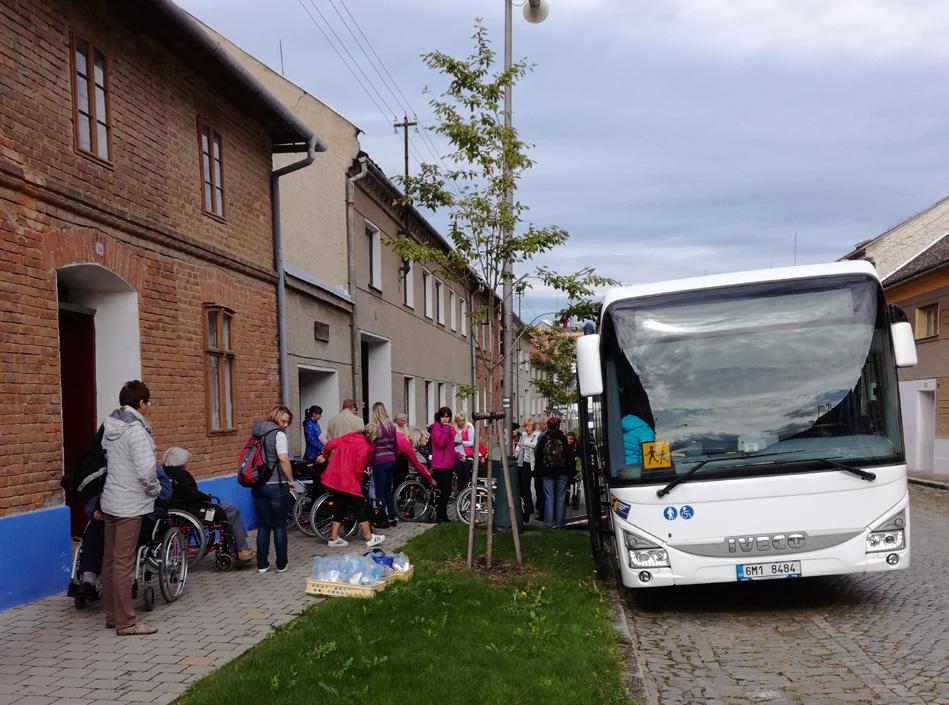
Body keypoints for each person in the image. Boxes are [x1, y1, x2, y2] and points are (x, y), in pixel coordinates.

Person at [100, 380, 160, 636]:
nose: (150, 407)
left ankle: (112, 615)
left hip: (110, 500)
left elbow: (105, 457)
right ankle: (126, 622)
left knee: (110, 560)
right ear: (141, 404)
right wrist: (155, 491)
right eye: (149, 402)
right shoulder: (135, 430)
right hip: (130, 504)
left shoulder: (109, 425)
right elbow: (146, 471)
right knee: (124, 562)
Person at [162, 446, 255, 563]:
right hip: (192, 510)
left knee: (230, 509)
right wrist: (205, 496)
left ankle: (241, 546)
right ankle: (240, 549)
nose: (186, 464)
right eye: (185, 461)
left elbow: (187, 493)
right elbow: (189, 494)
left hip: (184, 507)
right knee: (231, 511)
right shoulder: (179, 475)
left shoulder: (166, 473)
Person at [319, 424, 386, 548]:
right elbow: (358, 469)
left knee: (341, 506)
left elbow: (329, 445)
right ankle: (369, 537)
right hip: (348, 480)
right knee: (359, 506)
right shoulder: (365, 447)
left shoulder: (348, 436)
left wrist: (326, 455)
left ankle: (333, 538)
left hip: (335, 476)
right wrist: (358, 481)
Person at [251, 405, 296, 574]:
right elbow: (283, 459)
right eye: (284, 421)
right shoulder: (278, 435)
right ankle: (281, 564)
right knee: (279, 526)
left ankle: (262, 564)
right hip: (276, 485)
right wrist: (290, 480)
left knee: (264, 525)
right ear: (276, 417)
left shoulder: (257, 433)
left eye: (288, 423)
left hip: (258, 485)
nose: (285, 425)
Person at [534, 416, 576, 529]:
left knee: (549, 497)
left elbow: (538, 455)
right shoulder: (562, 438)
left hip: (547, 472)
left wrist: (538, 471)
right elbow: (569, 455)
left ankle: (548, 523)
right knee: (561, 497)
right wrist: (571, 471)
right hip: (562, 471)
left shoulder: (544, 438)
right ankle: (559, 523)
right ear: (558, 425)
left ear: (548, 425)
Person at [369, 402, 399, 527]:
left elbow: (373, 448)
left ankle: (382, 519)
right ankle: (392, 516)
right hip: (391, 459)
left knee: (379, 492)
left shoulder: (376, 427)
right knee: (388, 490)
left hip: (380, 462)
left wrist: (369, 462)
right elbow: (396, 445)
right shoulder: (391, 426)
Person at [429, 407, 456, 523]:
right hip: (440, 465)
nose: (445, 419)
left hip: (448, 464)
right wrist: (446, 428)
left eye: (447, 416)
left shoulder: (447, 428)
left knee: (447, 492)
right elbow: (441, 443)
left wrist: (459, 455)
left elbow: (450, 446)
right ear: (439, 416)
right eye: (443, 416)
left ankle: (443, 515)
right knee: (444, 491)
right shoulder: (436, 428)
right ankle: (439, 516)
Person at [515, 418, 540, 523]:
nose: (527, 428)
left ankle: (539, 507)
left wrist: (524, 445)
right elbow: (518, 445)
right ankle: (528, 509)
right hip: (524, 463)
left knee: (538, 486)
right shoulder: (523, 435)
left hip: (534, 464)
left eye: (529, 426)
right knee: (525, 486)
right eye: (525, 426)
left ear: (533, 427)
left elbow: (535, 446)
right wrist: (516, 452)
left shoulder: (537, 435)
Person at [453, 412, 475, 490]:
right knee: (459, 475)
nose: (461, 422)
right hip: (457, 454)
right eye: (459, 421)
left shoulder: (469, 427)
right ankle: (460, 492)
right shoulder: (456, 428)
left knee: (465, 475)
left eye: (463, 420)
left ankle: (466, 491)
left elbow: (472, 442)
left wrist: (462, 442)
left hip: (466, 454)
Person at [393, 413, 410, 487]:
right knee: (397, 478)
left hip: (404, 456)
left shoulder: (406, 428)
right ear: (397, 420)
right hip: (397, 455)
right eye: (402, 420)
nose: (404, 422)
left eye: (405, 420)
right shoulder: (394, 427)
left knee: (403, 476)